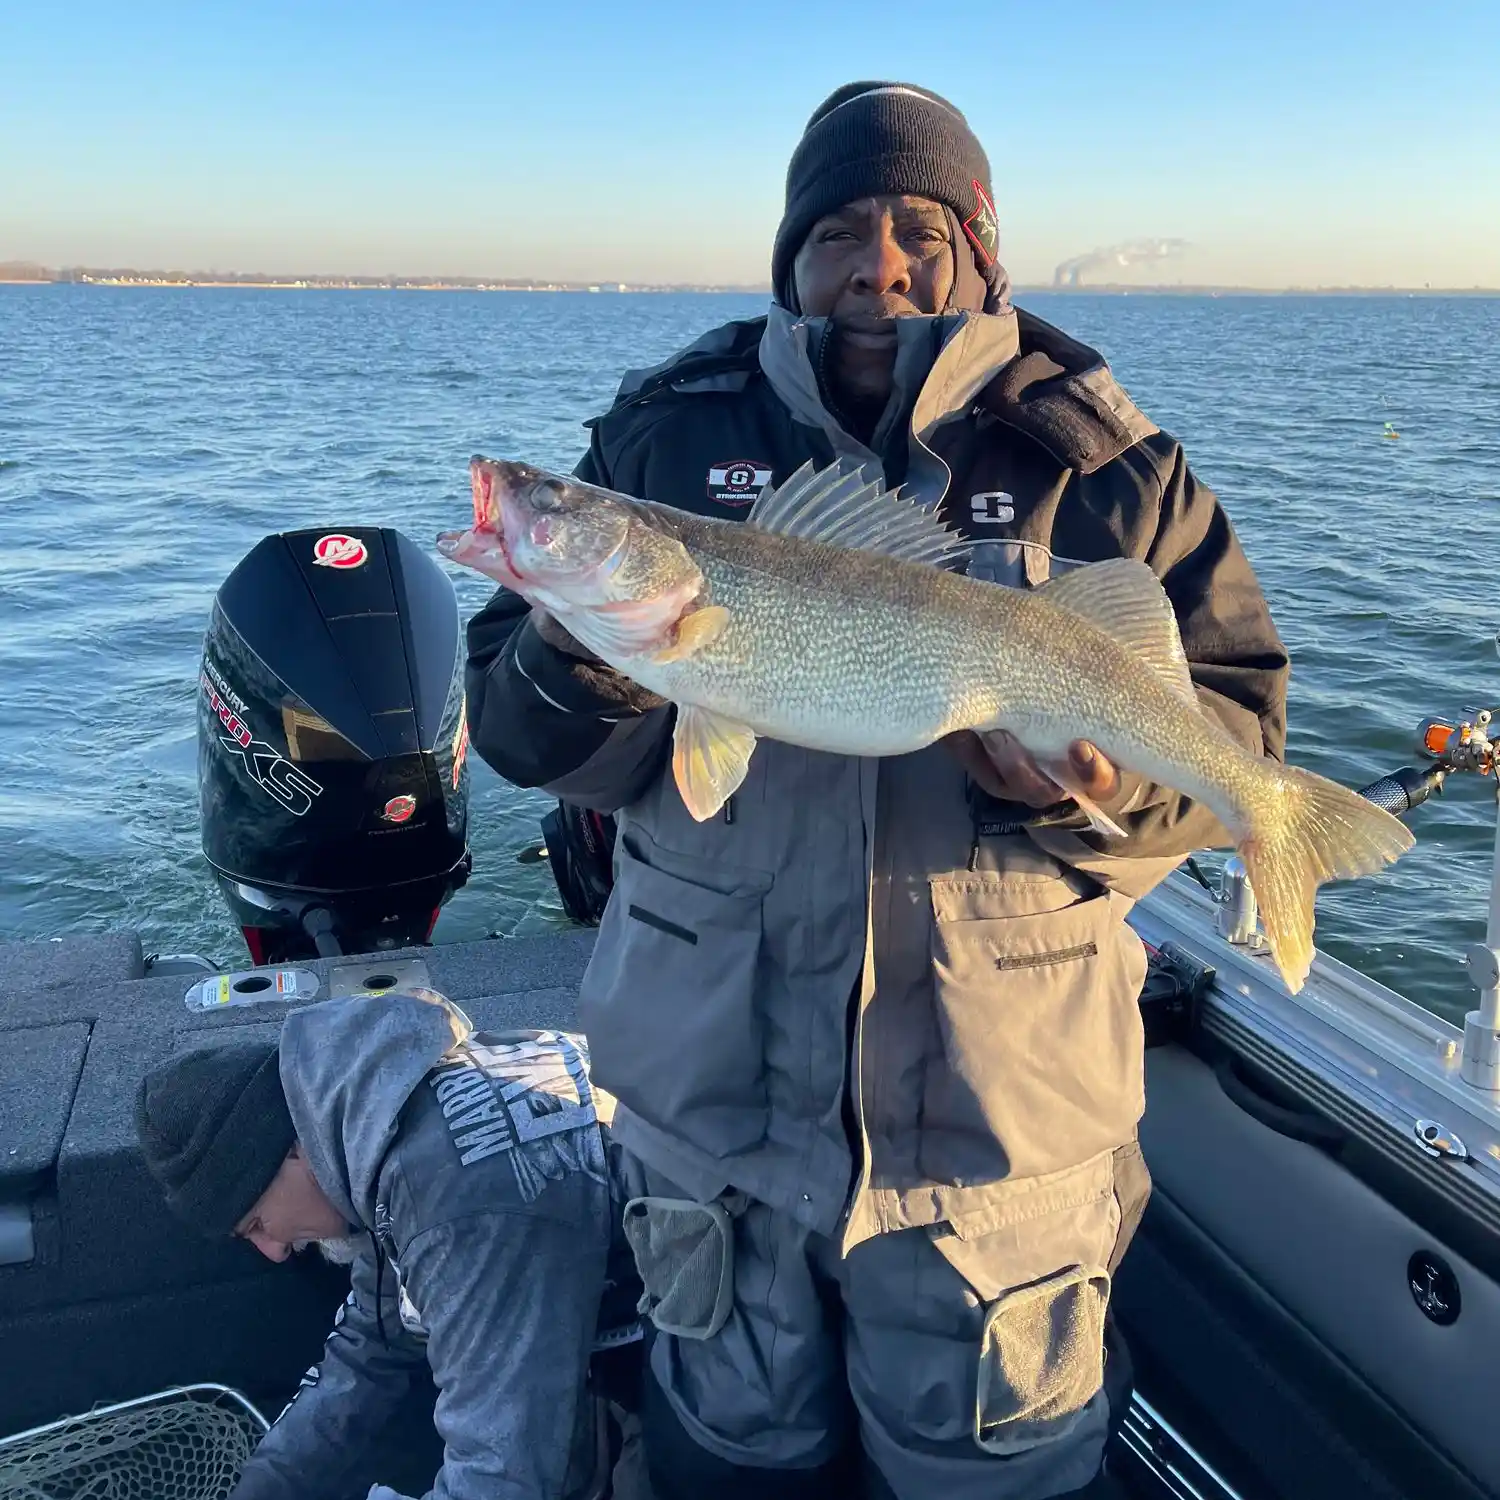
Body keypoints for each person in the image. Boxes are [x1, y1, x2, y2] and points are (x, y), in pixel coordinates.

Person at [463, 81, 1290, 1500]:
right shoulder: (662, 437)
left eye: (919, 227)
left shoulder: (1108, 466)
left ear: (980, 251)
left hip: (997, 1150)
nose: (879, 261)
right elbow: (518, 733)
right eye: (839, 228)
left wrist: (1086, 787)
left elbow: (1237, 736)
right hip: (708, 1130)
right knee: (729, 1465)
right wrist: (583, 645)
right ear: (791, 255)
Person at [135, 987, 645, 1500]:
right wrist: (266, 1487)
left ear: (289, 1152)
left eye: (257, 1224)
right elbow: (372, 1343)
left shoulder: (455, 1203)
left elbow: (503, 1474)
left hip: (697, 1359)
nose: (273, 1251)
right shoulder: (387, 1119)